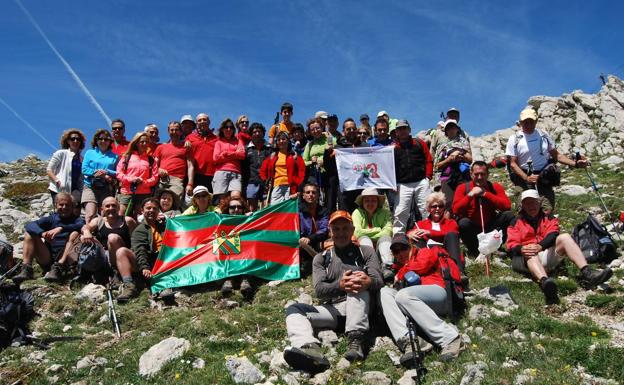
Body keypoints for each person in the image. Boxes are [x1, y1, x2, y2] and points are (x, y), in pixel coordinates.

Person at [283, 211, 384, 372]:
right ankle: (308, 348)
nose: (341, 233)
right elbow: (320, 291)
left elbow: (379, 281)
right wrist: (340, 286)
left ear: (353, 230)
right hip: (336, 311)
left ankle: (356, 341)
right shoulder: (321, 258)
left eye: (345, 228)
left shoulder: (366, 251)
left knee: (356, 282)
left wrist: (367, 281)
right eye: (336, 229)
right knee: (295, 309)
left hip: (363, 307)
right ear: (330, 232)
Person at [507, 190, 612, 305]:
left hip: (545, 254)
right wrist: (522, 249)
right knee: (529, 251)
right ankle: (545, 283)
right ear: (522, 206)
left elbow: (553, 234)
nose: (531, 206)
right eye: (527, 203)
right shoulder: (516, 222)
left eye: (533, 202)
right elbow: (511, 245)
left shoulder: (549, 218)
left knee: (565, 237)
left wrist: (540, 246)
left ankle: (587, 273)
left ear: (539, 203)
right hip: (525, 260)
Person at [380, 234, 463, 366]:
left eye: (403, 248)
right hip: (414, 302)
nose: (400, 253)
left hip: (438, 293)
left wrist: (400, 274)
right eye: (396, 251)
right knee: (384, 292)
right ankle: (410, 340)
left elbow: (422, 266)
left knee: (402, 295)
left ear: (411, 246)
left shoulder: (424, 252)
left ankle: (450, 338)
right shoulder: (398, 269)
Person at [505, 107, 587, 212]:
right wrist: (527, 178)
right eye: (525, 122)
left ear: (536, 121)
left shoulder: (543, 135)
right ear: (520, 122)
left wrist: (575, 164)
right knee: (524, 211)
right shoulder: (514, 139)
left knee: (547, 210)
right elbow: (513, 163)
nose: (528, 124)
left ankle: (547, 226)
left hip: (543, 177)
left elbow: (557, 155)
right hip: (524, 180)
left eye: (531, 121)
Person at [13, 193, 85, 283]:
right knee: (29, 234)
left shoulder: (77, 220)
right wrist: (42, 233)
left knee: (74, 234)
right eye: (61, 205)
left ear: (72, 206)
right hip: (48, 256)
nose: (64, 207)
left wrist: (61, 228)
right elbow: (29, 225)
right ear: (56, 205)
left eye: (68, 205)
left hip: (67, 256)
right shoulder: (51, 219)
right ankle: (26, 269)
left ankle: (58, 268)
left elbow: (81, 225)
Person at [70, 197, 137, 286]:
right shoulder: (98, 221)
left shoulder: (128, 221)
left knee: (113, 238)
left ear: (118, 208)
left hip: (122, 256)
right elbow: (86, 227)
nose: (111, 208)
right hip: (103, 256)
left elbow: (136, 239)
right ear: (102, 209)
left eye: (113, 206)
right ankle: (75, 267)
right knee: (80, 237)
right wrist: (86, 232)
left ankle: (115, 271)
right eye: (107, 206)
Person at [452, 161, 514, 258]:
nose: (480, 177)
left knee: (509, 216)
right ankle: (475, 250)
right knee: (463, 223)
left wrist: (486, 194)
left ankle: (498, 247)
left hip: (490, 225)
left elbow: (506, 206)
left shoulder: (494, 187)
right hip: (472, 226)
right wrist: (470, 195)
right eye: (476, 174)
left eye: (483, 174)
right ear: (471, 174)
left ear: (488, 174)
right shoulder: (463, 188)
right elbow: (456, 210)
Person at [392, 119, 433, 235]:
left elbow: (428, 159)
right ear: (396, 132)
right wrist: (392, 183)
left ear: (409, 130)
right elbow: (389, 166)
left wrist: (428, 177)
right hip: (402, 184)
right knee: (400, 212)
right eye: (400, 129)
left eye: (404, 128)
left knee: (427, 209)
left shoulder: (419, 143)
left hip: (421, 182)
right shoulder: (393, 148)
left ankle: (431, 235)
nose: (402, 131)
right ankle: (398, 239)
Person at [125, 198, 170, 302]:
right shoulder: (139, 230)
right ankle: (160, 288)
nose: (151, 210)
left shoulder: (165, 226)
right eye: (148, 208)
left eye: (155, 208)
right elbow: (140, 249)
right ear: (142, 211)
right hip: (152, 261)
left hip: (167, 258)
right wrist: (144, 267)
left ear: (158, 211)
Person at [407, 192, 464, 274]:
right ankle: (420, 268)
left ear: (443, 209)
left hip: (447, 251)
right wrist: (410, 234)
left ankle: (459, 271)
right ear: (429, 209)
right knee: (417, 236)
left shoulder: (451, 222)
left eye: (440, 206)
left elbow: (452, 234)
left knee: (451, 235)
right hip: (428, 253)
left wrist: (430, 233)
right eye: (434, 206)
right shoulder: (421, 224)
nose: (437, 209)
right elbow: (410, 233)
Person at [323, 118, 368, 213]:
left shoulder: (365, 146)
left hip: (362, 187)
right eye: (348, 129)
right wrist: (328, 153)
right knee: (345, 215)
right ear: (343, 131)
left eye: (353, 128)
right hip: (345, 189)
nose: (351, 131)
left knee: (364, 215)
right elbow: (329, 168)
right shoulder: (338, 148)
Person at [218, 195, 254, 297]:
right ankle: (228, 279)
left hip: (245, 259)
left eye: (239, 207)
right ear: (227, 209)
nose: (236, 210)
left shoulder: (249, 220)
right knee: (226, 241)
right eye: (232, 207)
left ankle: (245, 279)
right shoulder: (221, 222)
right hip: (227, 259)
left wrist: (252, 218)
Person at [116, 132, 159, 217]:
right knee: (121, 216)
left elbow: (155, 177)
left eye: (146, 142)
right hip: (127, 192)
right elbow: (119, 173)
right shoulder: (127, 157)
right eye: (142, 141)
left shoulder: (151, 160)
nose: (144, 144)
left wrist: (143, 182)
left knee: (139, 218)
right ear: (136, 143)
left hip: (144, 193)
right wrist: (131, 179)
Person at [81, 129, 118, 223]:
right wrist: (96, 173)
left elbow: (117, 172)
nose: (103, 141)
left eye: (106, 139)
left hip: (106, 188)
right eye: (100, 139)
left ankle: (101, 236)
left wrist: (106, 172)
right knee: (90, 213)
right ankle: (87, 234)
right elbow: (84, 169)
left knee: (105, 214)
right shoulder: (90, 153)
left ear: (110, 141)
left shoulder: (115, 156)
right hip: (90, 186)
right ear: (96, 140)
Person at [154, 121, 194, 204]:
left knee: (174, 203)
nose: (174, 132)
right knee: (157, 203)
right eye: (172, 130)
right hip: (161, 179)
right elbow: (154, 164)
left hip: (177, 179)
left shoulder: (186, 146)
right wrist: (159, 169)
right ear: (168, 131)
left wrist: (190, 183)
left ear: (180, 131)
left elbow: (190, 166)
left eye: (176, 130)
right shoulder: (161, 147)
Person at [260, 131, 305, 205]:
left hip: (291, 187)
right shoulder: (272, 156)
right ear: (276, 142)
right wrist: (266, 182)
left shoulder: (295, 156)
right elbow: (262, 171)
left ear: (288, 141)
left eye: (283, 139)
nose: (281, 141)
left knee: (288, 210)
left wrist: (299, 186)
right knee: (276, 210)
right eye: (279, 140)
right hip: (276, 186)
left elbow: (302, 171)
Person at [352, 188, 393, 269]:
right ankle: (370, 266)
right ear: (362, 202)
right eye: (367, 200)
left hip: (380, 247)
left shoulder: (385, 212)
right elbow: (357, 232)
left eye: (373, 200)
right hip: (361, 248)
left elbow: (388, 231)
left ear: (377, 202)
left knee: (385, 238)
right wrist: (378, 229)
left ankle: (387, 267)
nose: (370, 203)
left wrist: (367, 233)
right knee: (365, 240)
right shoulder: (357, 212)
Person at [434, 119, 472, 206]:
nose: (451, 129)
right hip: (447, 176)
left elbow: (470, 160)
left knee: (465, 200)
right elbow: (437, 166)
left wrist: (459, 152)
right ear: (446, 131)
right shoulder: (441, 146)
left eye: (453, 127)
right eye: (448, 128)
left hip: (463, 174)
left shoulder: (464, 142)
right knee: (448, 203)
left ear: (457, 129)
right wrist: (449, 159)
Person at [47, 128, 86, 203]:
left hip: (75, 189)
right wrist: (57, 181)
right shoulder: (61, 153)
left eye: (78, 139)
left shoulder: (82, 159)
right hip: (59, 189)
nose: (75, 141)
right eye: (73, 139)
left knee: (76, 207)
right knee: (62, 210)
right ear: (68, 141)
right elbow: (49, 170)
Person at [298, 183, 329, 275]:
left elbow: (324, 230)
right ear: (303, 196)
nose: (311, 195)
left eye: (314, 192)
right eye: (307, 192)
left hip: (317, 242)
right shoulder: (297, 211)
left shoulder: (324, 211)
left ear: (318, 195)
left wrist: (310, 238)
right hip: (301, 243)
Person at [212, 118, 246, 200]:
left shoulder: (238, 141)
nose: (228, 129)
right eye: (226, 127)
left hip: (236, 173)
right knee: (222, 200)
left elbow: (242, 155)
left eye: (231, 127)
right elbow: (215, 158)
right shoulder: (218, 142)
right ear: (222, 129)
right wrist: (235, 154)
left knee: (236, 197)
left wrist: (226, 154)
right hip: (221, 172)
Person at [242, 122, 272, 212]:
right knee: (251, 209)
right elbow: (243, 168)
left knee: (266, 208)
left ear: (263, 133)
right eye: (254, 132)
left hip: (266, 183)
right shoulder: (246, 149)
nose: (257, 134)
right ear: (251, 134)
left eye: (259, 131)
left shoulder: (270, 148)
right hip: (251, 182)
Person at [187, 113, 218, 193]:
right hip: (197, 175)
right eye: (199, 120)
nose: (202, 121)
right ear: (196, 123)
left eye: (204, 119)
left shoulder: (217, 138)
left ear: (209, 122)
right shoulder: (190, 137)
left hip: (213, 175)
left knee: (212, 202)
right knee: (197, 201)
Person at [302, 118, 329, 189]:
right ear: (310, 132)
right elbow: (303, 162)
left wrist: (329, 136)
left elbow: (334, 149)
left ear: (322, 127)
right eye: (312, 130)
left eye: (317, 128)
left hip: (329, 175)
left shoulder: (329, 138)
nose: (315, 131)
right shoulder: (310, 144)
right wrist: (311, 162)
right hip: (315, 175)